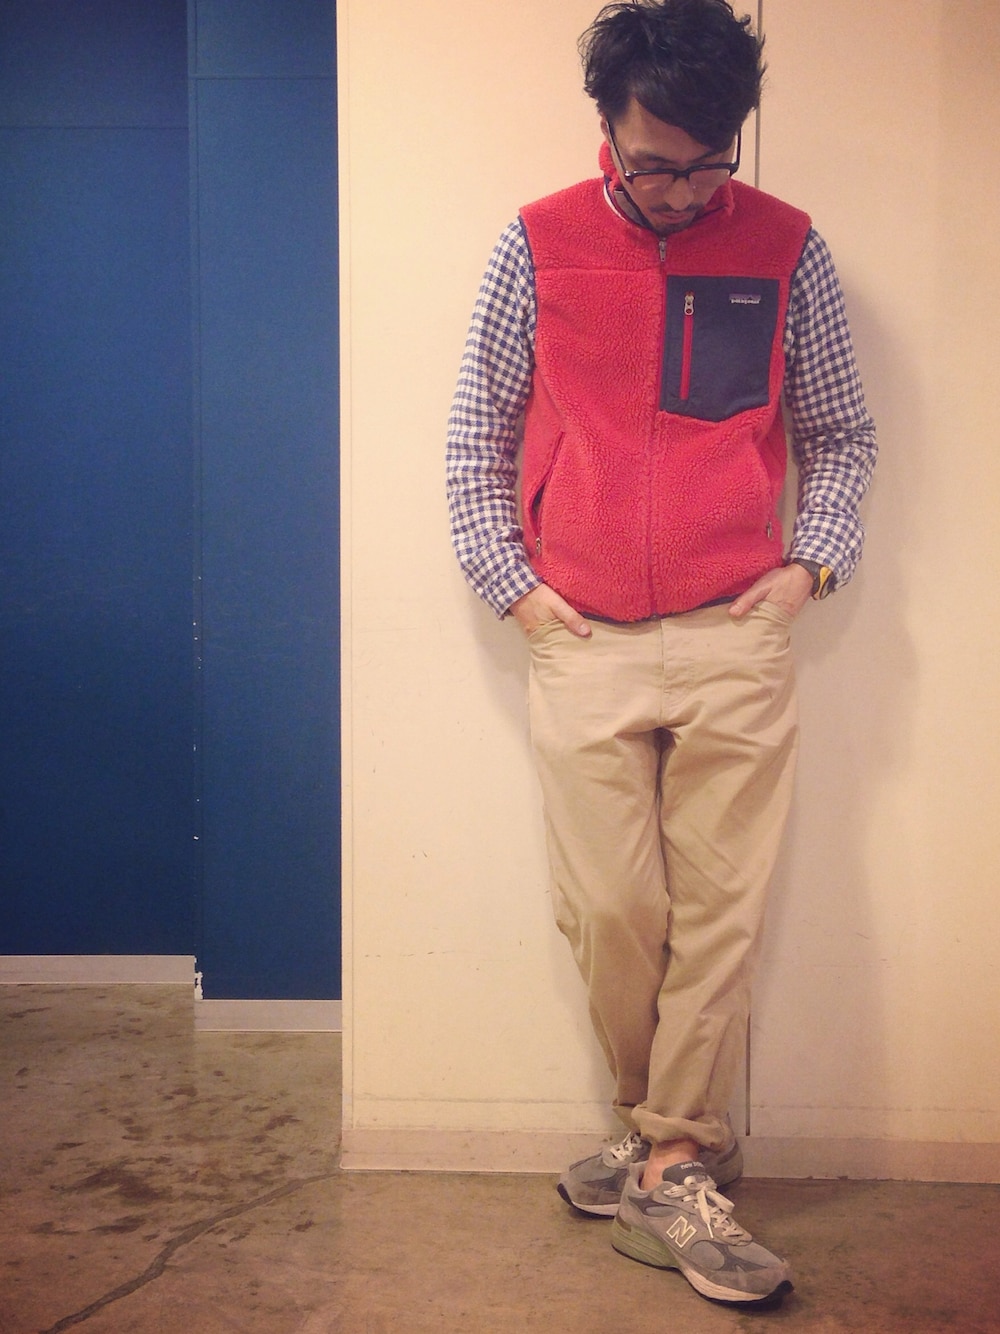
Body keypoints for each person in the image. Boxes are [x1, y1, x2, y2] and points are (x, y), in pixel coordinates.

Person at [446, 0, 876, 1308]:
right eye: (655, 165)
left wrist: (810, 567)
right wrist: (514, 588)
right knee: (615, 910)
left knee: (723, 911)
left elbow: (842, 433)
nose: (684, 191)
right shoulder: (536, 244)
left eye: (708, 163)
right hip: (580, 631)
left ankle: (674, 1159)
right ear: (606, 129)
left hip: (736, 626)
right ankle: (656, 1138)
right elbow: (475, 438)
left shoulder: (788, 247)